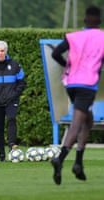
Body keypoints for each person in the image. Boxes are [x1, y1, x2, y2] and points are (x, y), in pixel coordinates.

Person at [51, 5, 104, 185]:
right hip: (87, 85)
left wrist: (68, 65)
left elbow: (56, 53)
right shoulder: (102, 37)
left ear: (85, 21)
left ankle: (78, 163)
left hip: (71, 83)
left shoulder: (74, 36)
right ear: (99, 21)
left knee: (87, 119)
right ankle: (60, 158)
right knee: (77, 123)